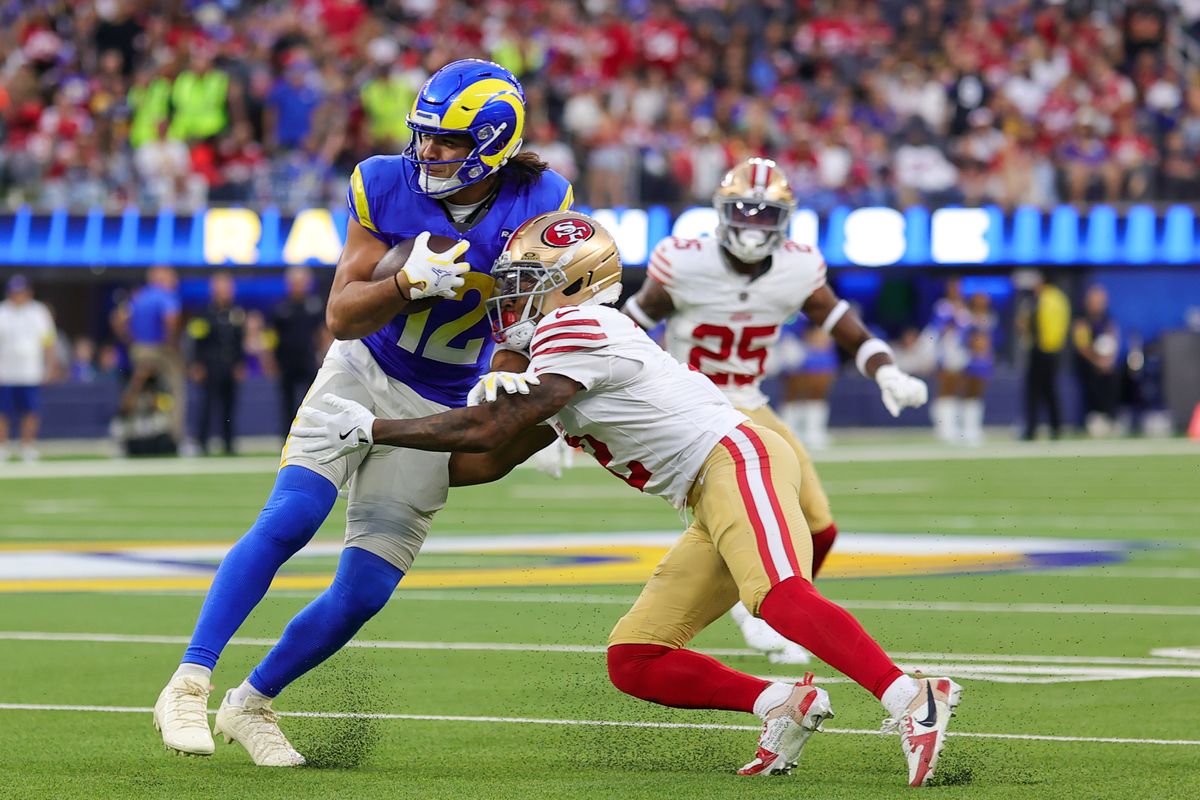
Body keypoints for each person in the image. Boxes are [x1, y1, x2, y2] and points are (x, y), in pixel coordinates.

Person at [295, 211, 961, 788]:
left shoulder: (575, 329)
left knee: (780, 597)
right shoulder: (556, 355)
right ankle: (781, 702)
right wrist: (373, 462)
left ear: (577, 282)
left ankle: (912, 697)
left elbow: (490, 427)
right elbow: (487, 460)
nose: (512, 298)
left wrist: (375, 426)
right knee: (635, 657)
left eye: (528, 282)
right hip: (708, 488)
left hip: (734, 456)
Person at [153, 59, 573, 766]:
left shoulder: (542, 199)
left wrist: (515, 379)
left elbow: (524, 315)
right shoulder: (383, 181)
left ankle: (251, 703)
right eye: (424, 136)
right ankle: (189, 681)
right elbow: (342, 315)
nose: (427, 152)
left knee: (365, 590)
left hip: (441, 400)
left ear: (493, 143)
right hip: (363, 369)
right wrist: (407, 283)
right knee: (292, 517)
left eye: (446, 141)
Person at [621, 158, 929, 662]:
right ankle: (761, 604)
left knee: (819, 526)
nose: (752, 224)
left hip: (749, 401)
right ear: (721, 213)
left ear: (784, 219)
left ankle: (771, 605)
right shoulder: (685, 261)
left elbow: (841, 322)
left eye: (765, 214)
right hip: (690, 407)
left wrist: (886, 370)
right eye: (743, 211)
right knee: (729, 522)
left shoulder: (798, 267)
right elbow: (627, 328)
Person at [112, 265, 185, 448]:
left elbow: (117, 319)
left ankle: (125, 432)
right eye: (171, 276)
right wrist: (171, 343)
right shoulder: (165, 295)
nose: (174, 281)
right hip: (160, 349)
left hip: (138, 349)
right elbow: (171, 319)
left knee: (140, 390)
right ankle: (175, 437)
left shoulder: (139, 296)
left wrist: (130, 340)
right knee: (176, 389)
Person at [188, 271, 247, 456]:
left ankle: (228, 443)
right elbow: (197, 341)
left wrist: (240, 363)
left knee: (230, 405)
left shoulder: (237, 313)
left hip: (230, 365)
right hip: (210, 365)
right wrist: (196, 364)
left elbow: (240, 341)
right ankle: (202, 442)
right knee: (206, 404)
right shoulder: (203, 314)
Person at [0, 275, 57, 462]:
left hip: (30, 371)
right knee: (2, 411)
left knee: (31, 410)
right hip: (5, 371)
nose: (18, 296)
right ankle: (2, 446)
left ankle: (27, 446)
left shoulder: (39, 312)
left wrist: (51, 365)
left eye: (22, 291)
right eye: (15, 292)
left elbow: (48, 341)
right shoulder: (2, 312)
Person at [269, 266, 326, 438]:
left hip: (309, 359)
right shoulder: (281, 307)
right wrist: (271, 360)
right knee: (287, 402)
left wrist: (323, 354)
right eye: (295, 282)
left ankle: (313, 435)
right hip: (286, 360)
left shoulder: (314, 305)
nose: (298, 286)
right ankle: (288, 437)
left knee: (312, 400)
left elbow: (322, 331)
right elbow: (272, 336)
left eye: (301, 282)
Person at [1017, 272, 1070, 440]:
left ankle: (1031, 429)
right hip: (1054, 350)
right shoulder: (1060, 298)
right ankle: (1057, 426)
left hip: (1040, 349)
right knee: (1050, 390)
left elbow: (1028, 324)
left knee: (1033, 391)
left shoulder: (1039, 300)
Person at [1072, 284, 1121, 437]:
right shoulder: (1082, 320)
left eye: (1101, 300)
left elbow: (1114, 337)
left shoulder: (1107, 319)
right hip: (1088, 364)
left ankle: (1110, 417)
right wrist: (1097, 362)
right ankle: (1093, 418)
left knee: (1113, 380)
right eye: (1095, 300)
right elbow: (1082, 346)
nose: (1098, 303)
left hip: (1105, 363)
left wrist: (1109, 360)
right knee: (1092, 384)